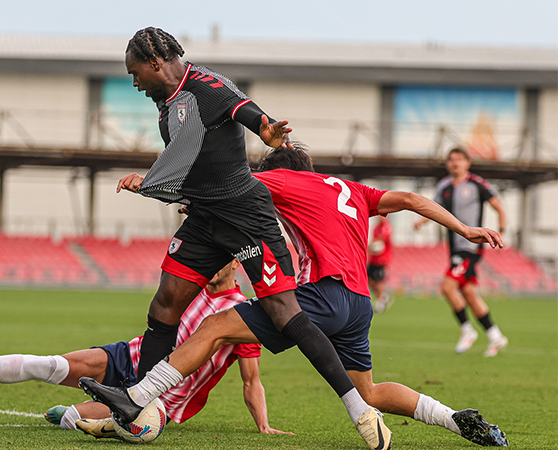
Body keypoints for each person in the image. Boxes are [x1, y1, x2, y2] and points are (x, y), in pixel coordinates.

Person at [81, 144, 508, 448]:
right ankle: (454, 419)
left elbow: (229, 188)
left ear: (279, 170)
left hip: (321, 294)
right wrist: (466, 230)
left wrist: (152, 184)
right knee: (369, 392)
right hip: (358, 304)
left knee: (214, 327)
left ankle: (137, 396)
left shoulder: (284, 180)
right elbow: (412, 199)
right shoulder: (352, 189)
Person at [112, 27, 386, 448]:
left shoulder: (206, 84)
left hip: (245, 215)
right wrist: (157, 181)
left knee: (284, 312)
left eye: (135, 74)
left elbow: (245, 110)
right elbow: (189, 157)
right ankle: (144, 405)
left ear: (155, 63)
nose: (134, 83)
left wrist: (265, 129)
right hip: (205, 217)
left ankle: (360, 410)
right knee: (166, 304)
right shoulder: (168, 103)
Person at [0, 260, 291, 438]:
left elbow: (250, 380)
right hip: (127, 356)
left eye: (221, 256)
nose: (211, 261)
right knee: (50, 365)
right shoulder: (188, 286)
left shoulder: (241, 315)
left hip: (156, 398)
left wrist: (263, 425)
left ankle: (75, 412)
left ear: (235, 263)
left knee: (71, 420)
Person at [414, 147, 508, 357]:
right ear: (448, 164)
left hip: (471, 247)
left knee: (447, 287)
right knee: (469, 294)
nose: (455, 163)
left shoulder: (477, 184)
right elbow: (433, 208)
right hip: (455, 247)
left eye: (459, 159)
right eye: (451, 160)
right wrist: (421, 221)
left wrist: (501, 232)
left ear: (468, 162)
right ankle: (495, 336)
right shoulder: (444, 186)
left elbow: (499, 207)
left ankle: (467, 330)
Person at [368, 216, 393, 313]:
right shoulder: (376, 227)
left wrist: (372, 245)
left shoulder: (386, 227)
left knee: (378, 281)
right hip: (373, 259)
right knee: (370, 281)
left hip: (382, 259)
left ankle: (380, 302)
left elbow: (382, 240)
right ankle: (383, 296)